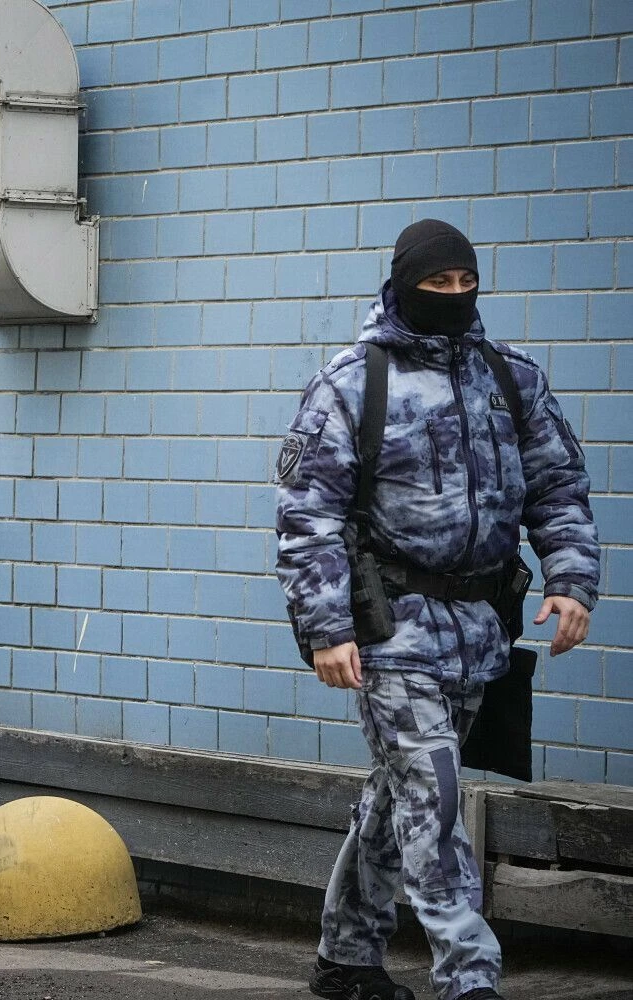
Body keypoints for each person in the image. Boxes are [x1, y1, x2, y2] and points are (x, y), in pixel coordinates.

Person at [276, 220, 599, 1000]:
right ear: (402, 284)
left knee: (401, 796)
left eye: (465, 282)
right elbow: (307, 514)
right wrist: (325, 629)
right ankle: (469, 976)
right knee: (436, 797)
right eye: (436, 283)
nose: (454, 296)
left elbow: (558, 486)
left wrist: (570, 577)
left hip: (480, 631)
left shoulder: (510, 379)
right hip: (392, 630)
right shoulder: (356, 381)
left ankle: (347, 959)